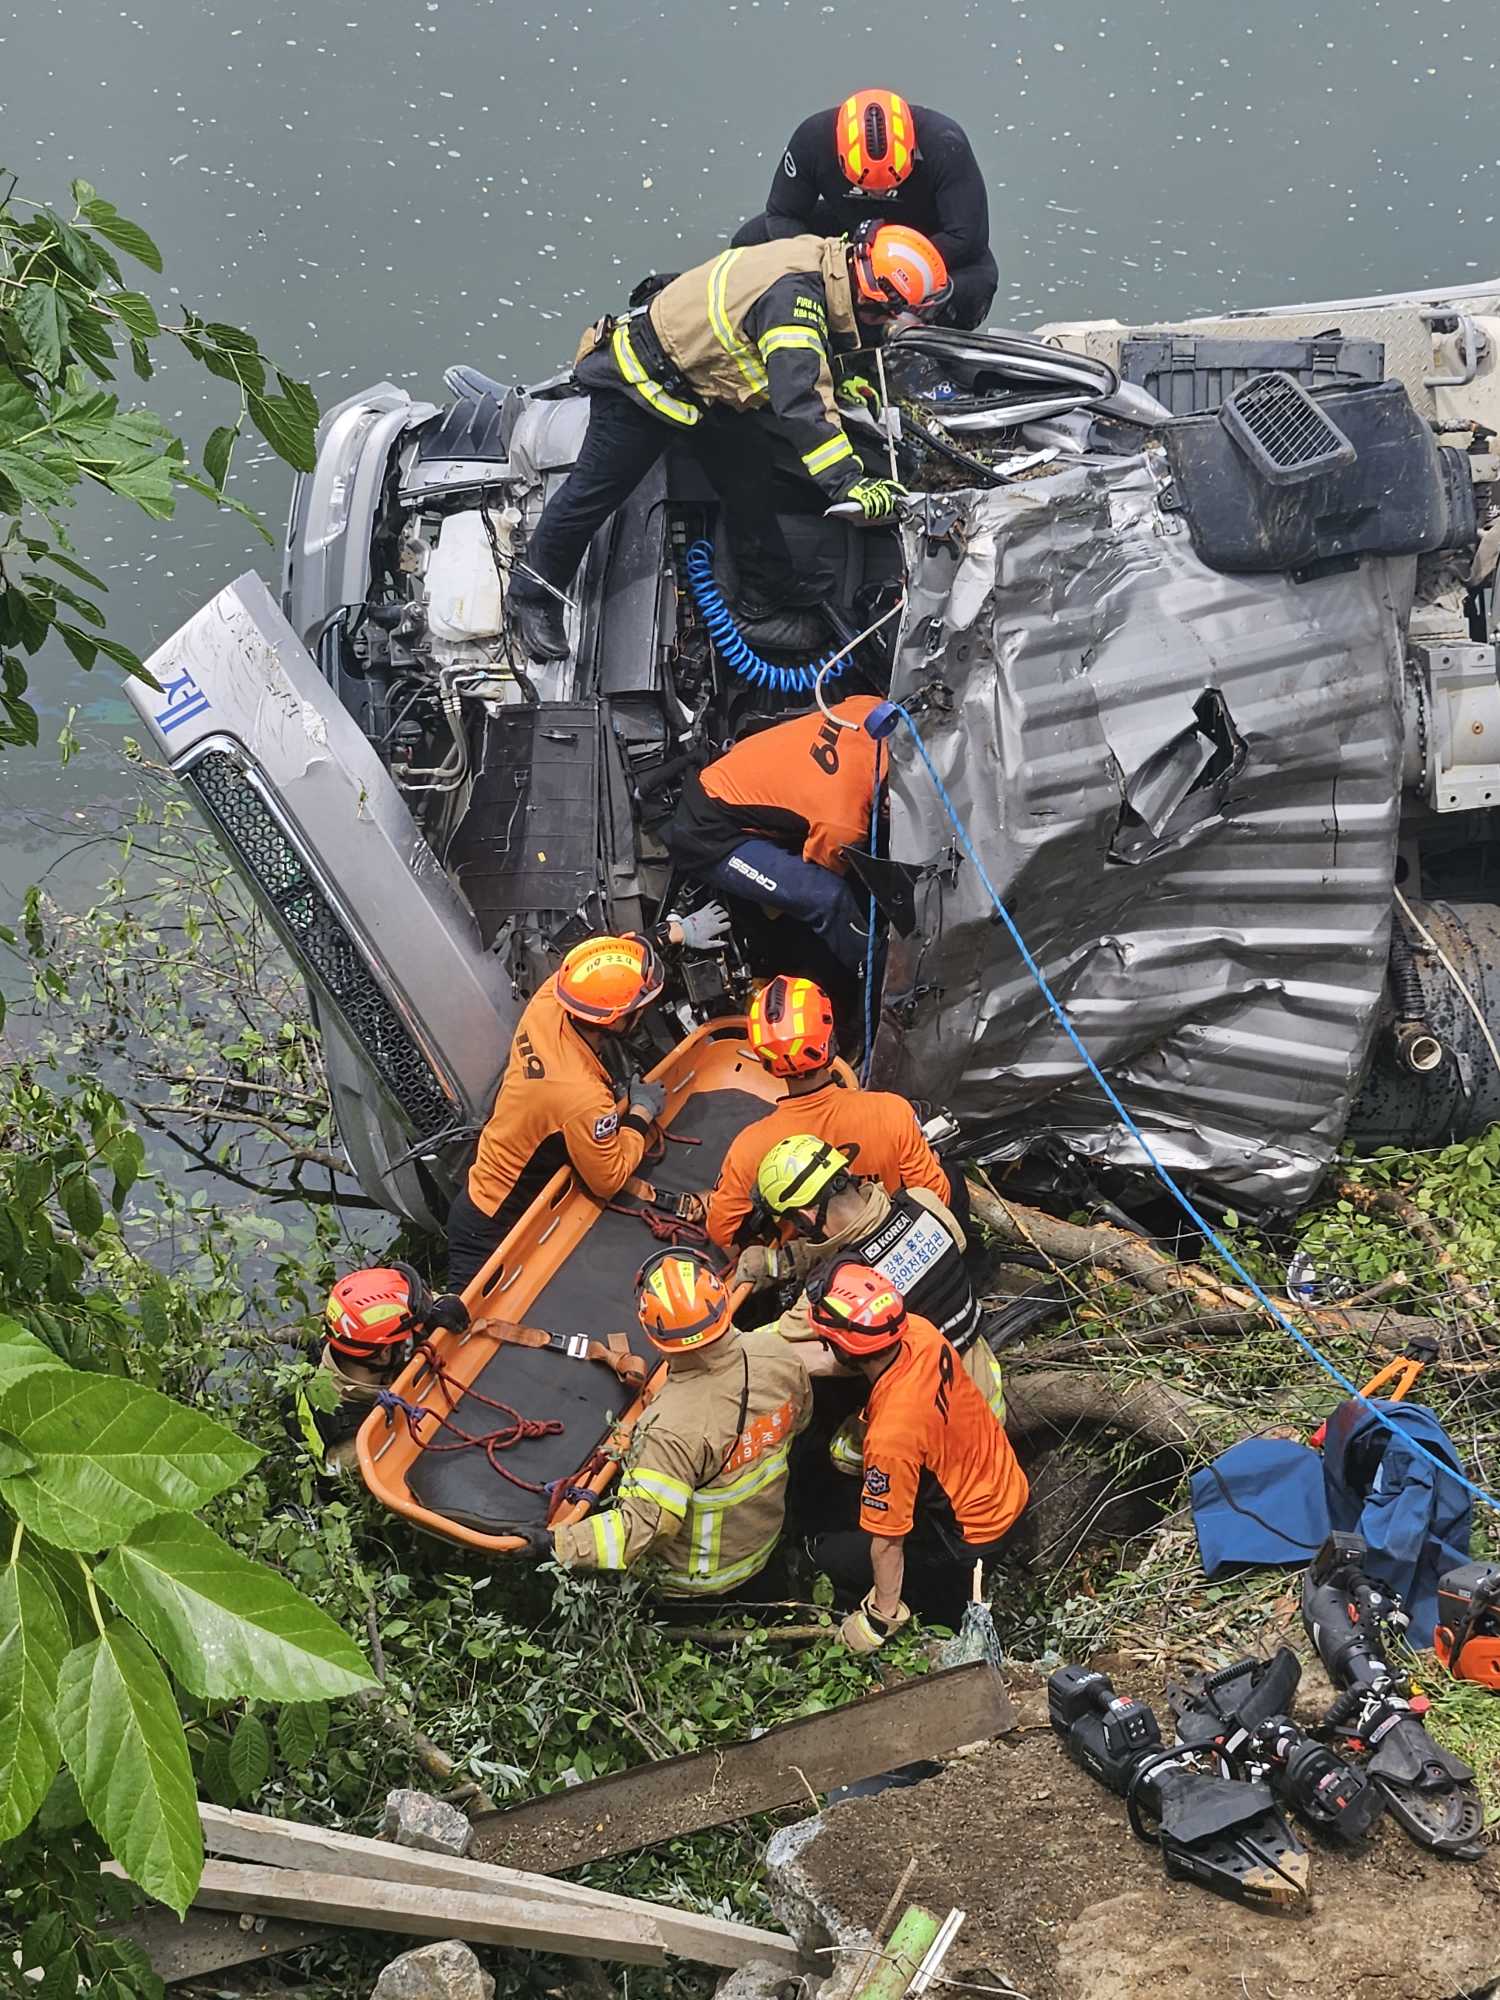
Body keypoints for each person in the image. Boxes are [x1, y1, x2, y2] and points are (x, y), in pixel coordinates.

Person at [509, 221, 950, 664]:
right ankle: (532, 593)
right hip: (641, 385)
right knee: (592, 495)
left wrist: (843, 375)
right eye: (887, 314)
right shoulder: (794, 302)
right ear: (872, 297)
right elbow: (801, 403)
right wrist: (849, 483)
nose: (887, 323)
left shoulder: (822, 254)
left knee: (749, 474)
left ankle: (764, 591)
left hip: (705, 385)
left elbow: (803, 346)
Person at [447, 916, 726, 1290]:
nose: (644, 1009)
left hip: (482, 1191)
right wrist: (640, 1114)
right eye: (639, 1006)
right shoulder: (580, 1095)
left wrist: (668, 935)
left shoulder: (552, 1000)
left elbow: (603, 969)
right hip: (496, 1226)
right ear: (613, 1022)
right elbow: (608, 1178)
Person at [541, 1248, 812, 1597]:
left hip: (698, 1582)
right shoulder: (780, 1355)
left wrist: (558, 1545)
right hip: (763, 1543)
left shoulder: (667, 1429)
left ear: (654, 1336)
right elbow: (800, 1421)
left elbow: (643, 1528)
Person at [788, 1261, 1028, 1646]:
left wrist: (880, 1618)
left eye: (828, 1339)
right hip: (1002, 1485)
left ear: (845, 1347)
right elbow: (838, 1358)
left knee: (832, 1555)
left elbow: (888, 1543)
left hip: (967, 1538)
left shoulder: (892, 1435)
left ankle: (928, 1620)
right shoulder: (918, 1331)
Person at [704, 975, 965, 1250]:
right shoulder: (892, 1112)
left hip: (819, 1263)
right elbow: (937, 1199)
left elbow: (722, 1232)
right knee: (951, 1173)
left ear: (764, 1060)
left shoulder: (748, 1149)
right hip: (892, 1245)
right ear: (830, 1039)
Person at [734, 90, 998, 331]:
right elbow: (783, 214)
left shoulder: (945, 143)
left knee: (980, 279)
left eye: (890, 186)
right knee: (751, 239)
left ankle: (916, 332)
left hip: (920, 244)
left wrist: (899, 272)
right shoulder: (812, 140)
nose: (879, 194)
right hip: (849, 237)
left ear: (912, 152)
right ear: (840, 160)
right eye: (867, 188)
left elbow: (967, 237)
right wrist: (832, 270)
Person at [666, 699, 889, 978]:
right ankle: (881, 973)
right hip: (708, 833)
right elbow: (826, 878)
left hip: (728, 776)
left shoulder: (871, 708)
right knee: (828, 897)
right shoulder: (843, 822)